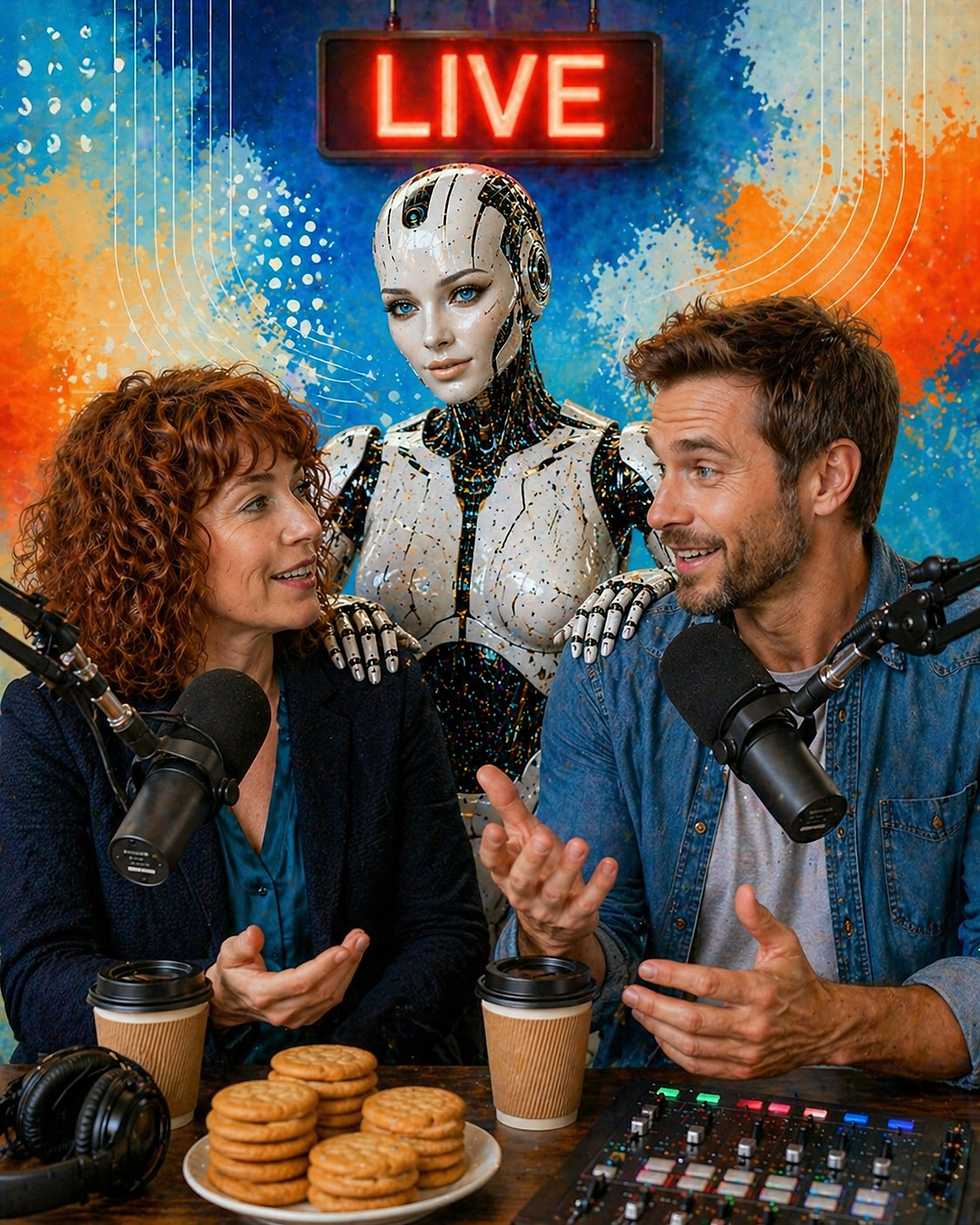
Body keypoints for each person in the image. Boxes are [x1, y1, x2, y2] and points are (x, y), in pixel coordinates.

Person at [478, 294, 980, 1086]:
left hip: (894, 1122)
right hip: (670, 1109)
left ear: (828, 477)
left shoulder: (963, 666)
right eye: (663, 467)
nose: (661, 511)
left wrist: (832, 1024)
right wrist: (556, 936)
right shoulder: (616, 666)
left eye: (704, 469)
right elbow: (600, 954)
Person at [0, 364, 488, 1067]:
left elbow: (446, 931)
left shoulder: (374, 685)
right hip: (158, 1107)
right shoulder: (51, 720)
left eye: (298, 488)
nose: (309, 524)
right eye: (257, 503)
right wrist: (202, 1000)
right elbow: (40, 977)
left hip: (357, 1092)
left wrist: (327, 1077)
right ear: (157, 542)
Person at [322, 163, 671, 938]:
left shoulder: (617, 466)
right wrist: (328, 612)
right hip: (390, 842)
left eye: (465, 293)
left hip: (560, 839)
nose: (433, 336)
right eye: (403, 306)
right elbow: (254, 628)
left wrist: (658, 591)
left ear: (532, 279)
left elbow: (732, 624)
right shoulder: (362, 468)